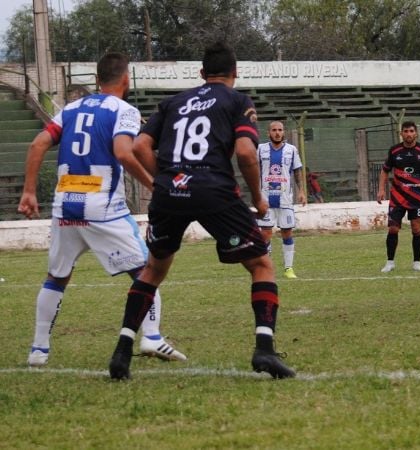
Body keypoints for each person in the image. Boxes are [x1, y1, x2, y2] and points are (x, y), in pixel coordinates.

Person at [107, 42, 295, 380]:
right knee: (261, 264)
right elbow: (246, 154)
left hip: (169, 192)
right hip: (213, 190)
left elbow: (139, 146)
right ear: (235, 74)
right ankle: (264, 350)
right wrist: (258, 197)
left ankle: (122, 352)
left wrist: (164, 179)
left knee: (152, 270)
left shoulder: (172, 102)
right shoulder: (238, 101)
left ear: (201, 74)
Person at [17, 52, 186, 367]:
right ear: (126, 80)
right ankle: (150, 336)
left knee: (56, 277)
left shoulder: (69, 109)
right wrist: (154, 186)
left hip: (65, 203)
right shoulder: (124, 110)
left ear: (97, 80)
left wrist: (29, 192)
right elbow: (124, 153)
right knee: (146, 270)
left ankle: (38, 350)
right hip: (101, 205)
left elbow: (37, 144)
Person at [377, 121, 420, 272]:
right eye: (406, 131)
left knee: (416, 229)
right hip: (397, 197)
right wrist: (381, 189)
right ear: (401, 133)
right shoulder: (395, 151)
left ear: (416, 133)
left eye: (411, 131)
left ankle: (417, 262)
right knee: (393, 229)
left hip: (416, 197)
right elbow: (385, 170)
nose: (409, 134)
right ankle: (390, 262)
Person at [256, 120, 307, 279]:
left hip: (285, 199)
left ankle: (288, 268)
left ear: (283, 132)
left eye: (280, 130)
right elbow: (252, 170)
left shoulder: (291, 150)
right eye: (274, 130)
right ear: (268, 132)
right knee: (265, 234)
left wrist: (302, 191)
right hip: (265, 199)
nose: (277, 132)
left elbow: (297, 171)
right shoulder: (260, 149)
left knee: (287, 232)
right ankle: (267, 268)